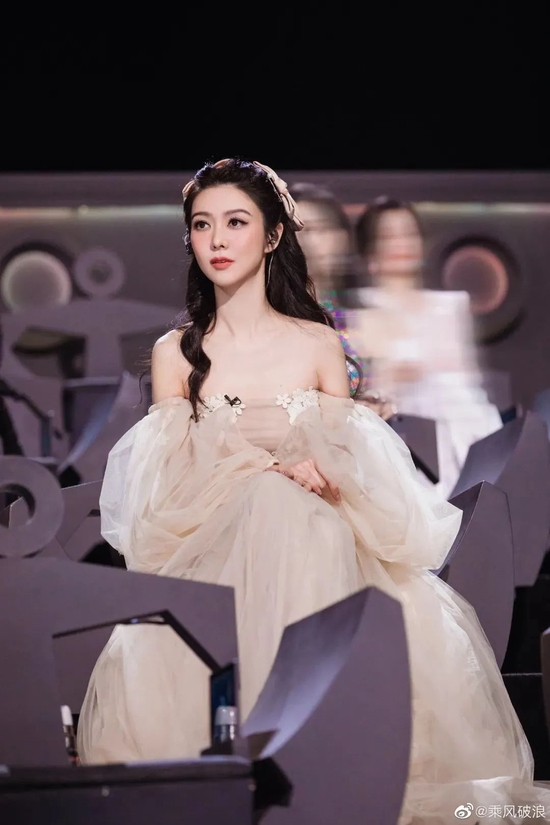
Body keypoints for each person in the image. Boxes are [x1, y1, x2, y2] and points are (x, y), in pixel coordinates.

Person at [77, 159, 549, 823]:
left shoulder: (319, 343)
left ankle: (327, 750)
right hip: (215, 550)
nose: (217, 239)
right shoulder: (176, 353)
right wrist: (262, 475)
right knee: (269, 506)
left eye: (236, 222)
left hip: (323, 544)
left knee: (296, 516)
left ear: (272, 235)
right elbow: (167, 490)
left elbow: (366, 473)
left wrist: (321, 470)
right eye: (202, 225)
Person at [350, 197, 503, 497]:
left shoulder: (450, 306)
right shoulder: (360, 309)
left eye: (409, 233)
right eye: (389, 236)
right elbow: (361, 389)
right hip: (396, 434)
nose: (402, 243)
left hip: (460, 426)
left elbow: (468, 385)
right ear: (371, 249)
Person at [289, 182, 394, 419]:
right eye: (301, 230)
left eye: (322, 229)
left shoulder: (365, 314)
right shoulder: (274, 316)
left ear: (343, 236)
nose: (310, 241)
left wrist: (378, 402)